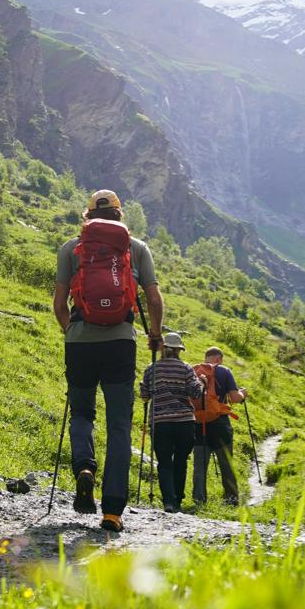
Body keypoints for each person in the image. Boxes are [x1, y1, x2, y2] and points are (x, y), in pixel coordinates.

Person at [54, 189, 163, 533]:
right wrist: (155, 334)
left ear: (87, 216)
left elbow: (59, 304)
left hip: (80, 342)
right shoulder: (137, 248)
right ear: (120, 214)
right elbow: (154, 299)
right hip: (120, 342)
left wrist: (70, 330)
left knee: (82, 412)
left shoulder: (71, 249)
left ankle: (85, 468)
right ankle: (112, 511)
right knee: (119, 424)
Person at [140, 331, 203, 513]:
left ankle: (169, 500)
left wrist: (145, 388)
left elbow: (145, 396)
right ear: (178, 350)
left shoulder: (152, 368)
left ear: (163, 349)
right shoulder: (186, 368)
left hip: (161, 422)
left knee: (165, 462)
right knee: (181, 460)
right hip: (184, 422)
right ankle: (178, 500)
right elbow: (195, 393)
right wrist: (201, 383)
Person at [192, 346, 248, 507]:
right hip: (220, 423)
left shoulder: (195, 371)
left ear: (206, 357)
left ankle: (199, 499)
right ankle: (231, 499)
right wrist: (244, 393)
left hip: (199, 423)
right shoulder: (224, 371)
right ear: (218, 359)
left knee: (200, 464)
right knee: (226, 462)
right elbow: (235, 398)